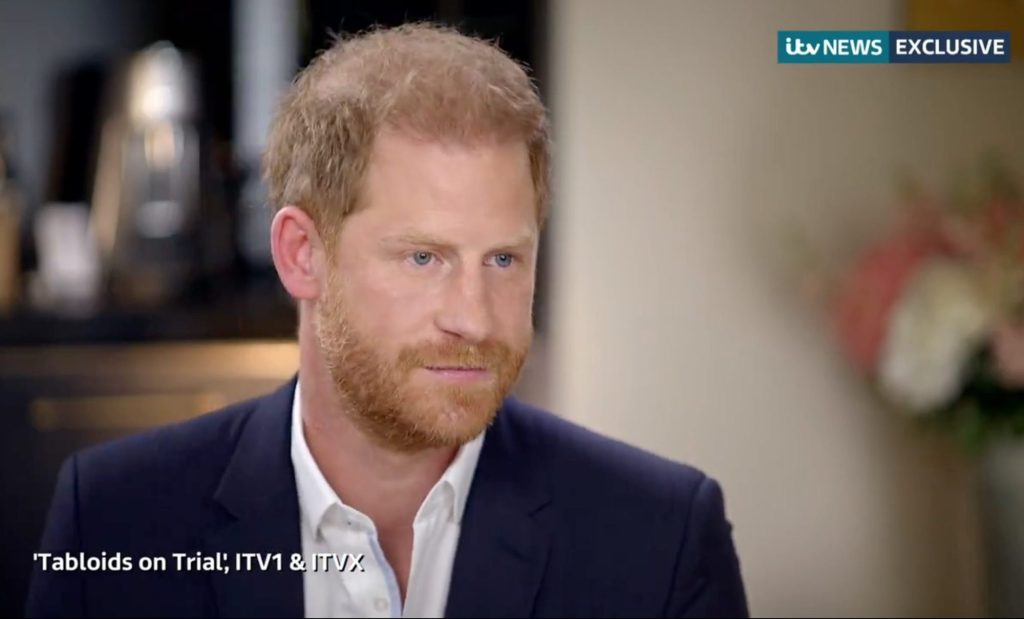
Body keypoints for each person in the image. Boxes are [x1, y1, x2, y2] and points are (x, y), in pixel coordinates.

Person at [26, 22, 748, 618]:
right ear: (301, 254)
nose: (473, 317)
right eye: (424, 258)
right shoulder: (114, 521)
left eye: (503, 260)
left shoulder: (662, 539)